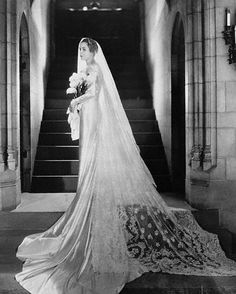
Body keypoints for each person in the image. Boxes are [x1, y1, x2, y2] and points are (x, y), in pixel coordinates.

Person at [15, 38, 236, 294]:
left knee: (97, 177)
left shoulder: (94, 69)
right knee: (90, 179)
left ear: (94, 51)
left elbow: (94, 93)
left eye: (84, 49)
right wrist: (77, 100)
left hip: (97, 128)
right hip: (91, 124)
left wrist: (77, 101)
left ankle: (100, 239)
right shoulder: (85, 72)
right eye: (79, 50)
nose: (81, 53)